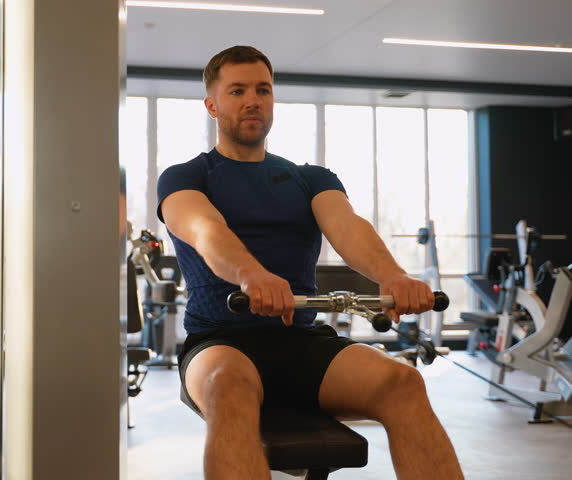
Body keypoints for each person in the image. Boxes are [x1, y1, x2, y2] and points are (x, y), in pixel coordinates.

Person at [157, 45, 463, 480]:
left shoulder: (309, 178)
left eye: (263, 90)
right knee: (227, 387)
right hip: (219, 342)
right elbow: (205, 231)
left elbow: (346, 226)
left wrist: (392, 276)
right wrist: (251, 274)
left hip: (302, 341)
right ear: (212, 104)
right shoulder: (186, 176)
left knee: (404, 383)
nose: (253, 100)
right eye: (238, 90)